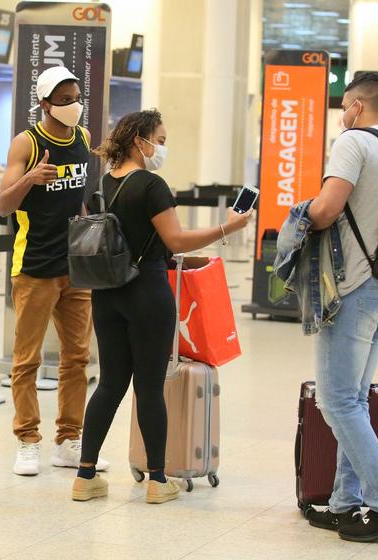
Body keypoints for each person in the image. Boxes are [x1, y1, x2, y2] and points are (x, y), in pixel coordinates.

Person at [71, 109, 252, 504]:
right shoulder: (151, 184)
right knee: (150, 386)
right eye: (161, 140)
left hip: (107, 292)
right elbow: (176, 240)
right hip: (147, 293)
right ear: (140, 140)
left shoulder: (102, 184)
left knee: (110, 382)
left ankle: (85, 476)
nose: (162, 148)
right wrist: (230, 227)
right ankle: (157, 479)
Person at [303, 72, 378, 541]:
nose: (342, 115)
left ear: (355, 105)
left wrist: (300, 211)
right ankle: (347, 503)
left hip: (355, 290)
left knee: (336, 401)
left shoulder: (353, 143)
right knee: (354, 401)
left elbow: (327, 210)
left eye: (343, 107)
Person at [0, 66, 107, 476]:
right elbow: (4, 205)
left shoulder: (83, 139)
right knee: (26, 360)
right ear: (44, 104)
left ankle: (68, 438)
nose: (74, 106)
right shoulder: (26, 143)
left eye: (77, 98)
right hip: (34, 266)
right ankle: (27, 440)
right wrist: (30, 178)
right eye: (64, 100)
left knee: (77, 357)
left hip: (75, 267)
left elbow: (78, 199)